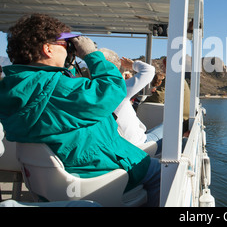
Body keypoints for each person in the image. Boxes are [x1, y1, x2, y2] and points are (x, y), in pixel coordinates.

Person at [0, 14, 160, 206]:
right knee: (161, 173)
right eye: (65, 44)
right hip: (94, 168)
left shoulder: (11, 89)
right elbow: (113, 89)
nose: (69, 51)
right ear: (48, 48)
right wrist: (92, 55)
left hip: (58, 174)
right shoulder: (57, 88)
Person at [99, 48, 163, 155]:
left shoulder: (91, 91)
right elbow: (149, 70)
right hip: (140, 146)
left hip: (120, 147)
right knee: (171, 126)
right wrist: (132, 64)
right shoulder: (118, 90)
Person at [144, 56, 191, 136]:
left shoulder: (172, 78)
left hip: (178, 123)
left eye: (163, 66)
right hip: (185, 121)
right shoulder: (180, 79)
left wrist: (142, 103)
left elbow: (158, 98)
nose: (162, 68)